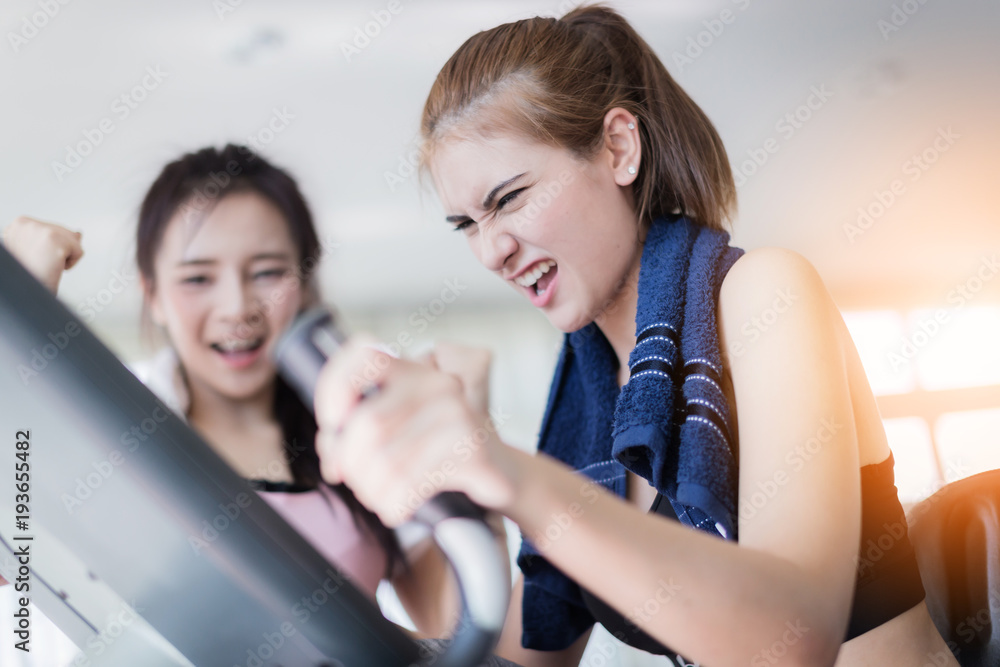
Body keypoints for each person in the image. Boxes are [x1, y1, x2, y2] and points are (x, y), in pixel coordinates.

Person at [309, 5, 960, 666]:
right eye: (466, 224)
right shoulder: (591, 397)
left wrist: (506, 469)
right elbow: (523, 660)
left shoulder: (765, 293)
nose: (490, 250)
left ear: (619, 148)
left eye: (509, 198)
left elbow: (790, 641)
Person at [1, 144, 473, 639]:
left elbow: (469, 642)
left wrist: (475, 453)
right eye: (198, 277)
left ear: (306, 283)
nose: (237, 306)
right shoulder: (102, 426)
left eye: (268, 273)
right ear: (152, 294)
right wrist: (15, 323)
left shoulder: (369, 425)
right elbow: (20, 562)